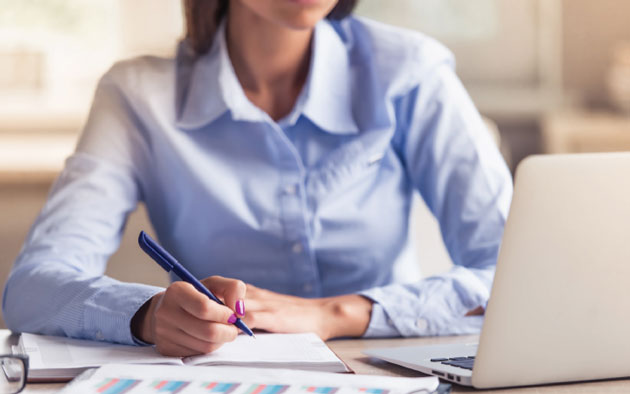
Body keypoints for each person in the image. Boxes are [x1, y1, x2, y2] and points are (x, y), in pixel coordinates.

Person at [2, 0, 512, 357]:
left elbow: (516, 278)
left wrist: (335, 313)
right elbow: (31, 288)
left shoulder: (411, 71)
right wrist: (147, 314)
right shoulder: (138, 96)